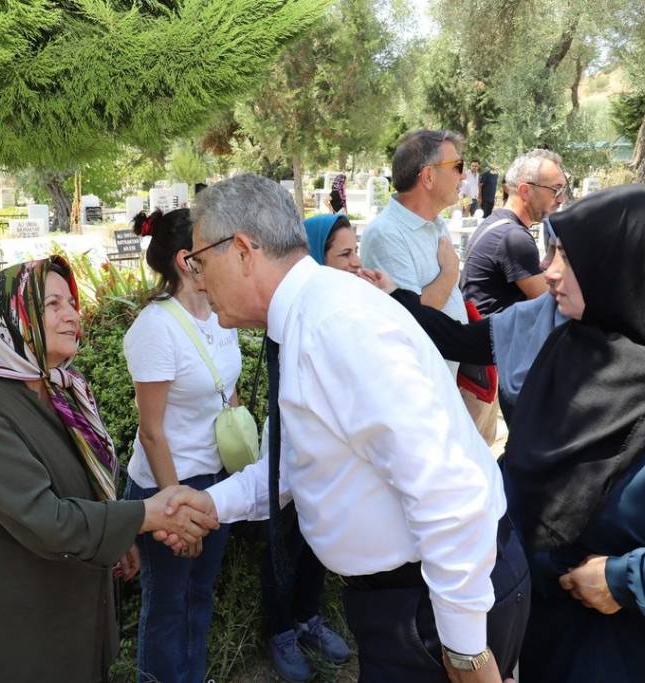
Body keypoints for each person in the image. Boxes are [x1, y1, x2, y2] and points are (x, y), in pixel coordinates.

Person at [164, 174, 529, 683]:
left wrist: (466, 650)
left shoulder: (335, 326)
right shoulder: (313, 316)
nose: (198, 281)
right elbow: (298, 462)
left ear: (244, 251)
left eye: (200, 262)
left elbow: (446, 489)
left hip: (432, 606)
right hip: (411, 601)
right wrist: (212, 503)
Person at [392, 186, 645, 681]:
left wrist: (626, 581)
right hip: (550, 628)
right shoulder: (570, 349)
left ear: (627, 266)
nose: (549, 270)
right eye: (551, 251)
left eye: (568, 256)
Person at [0, 256, 217, 683]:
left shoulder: (60, 388)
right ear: (14, 316)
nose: (71, 315)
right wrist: (143, 516)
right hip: (9, 625)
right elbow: (46, 519)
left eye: (71, 303)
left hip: (65, 601)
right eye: (52, 305)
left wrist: (119, 535)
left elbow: (83, 482)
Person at [122, 209, 240, 683]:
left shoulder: (221, 313)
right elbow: (152, 431)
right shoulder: (156, 327)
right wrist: (174, 506)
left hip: (215, 480)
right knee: (168, 602)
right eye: (213, 246)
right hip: (169, 483)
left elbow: (225, 394)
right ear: (187, 260)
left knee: (200, 593)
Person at [261, 214, 360, 682]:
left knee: (314, 536)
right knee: (280, 541)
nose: (356, 263)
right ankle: (280, 629)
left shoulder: (342, 312)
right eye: (344, 254)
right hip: (290, 454)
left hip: (326, 460)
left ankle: (307, 617)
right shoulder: (289, 322)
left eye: (356, 251)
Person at [360, 129, 468, 357]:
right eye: (457, 166)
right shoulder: (386, 234)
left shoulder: (437, 224)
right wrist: (449, 273)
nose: (464, 176)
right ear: (428, 176)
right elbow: (410, 317)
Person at [461, 149, 565, 317]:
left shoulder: (496, 223)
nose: (561, 199)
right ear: (525, 191)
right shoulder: (513, 238)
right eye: (555, 190)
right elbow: (554, 306)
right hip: (495, 341)